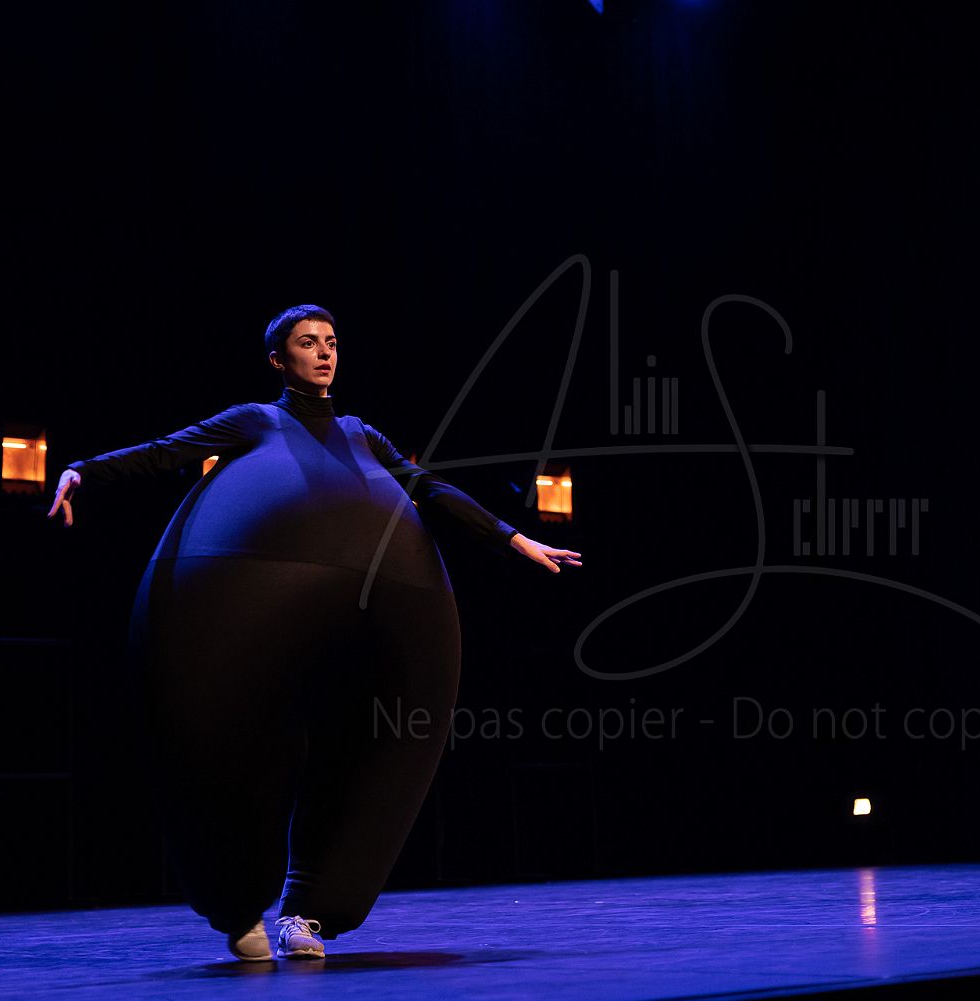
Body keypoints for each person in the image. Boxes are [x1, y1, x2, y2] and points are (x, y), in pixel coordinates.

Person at [48, 304, 582, 960]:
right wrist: (83, 469)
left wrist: (514, 538)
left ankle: (306, 913)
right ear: (279, 359)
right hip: (249, 592)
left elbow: (429, 489)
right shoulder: (256, 421)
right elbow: (166, 451)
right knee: (243, 745)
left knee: (366, 751)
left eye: (331, 342)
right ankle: (237, 901)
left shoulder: (362, 435)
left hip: (376, 605)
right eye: (308, 343)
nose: (325, 353)